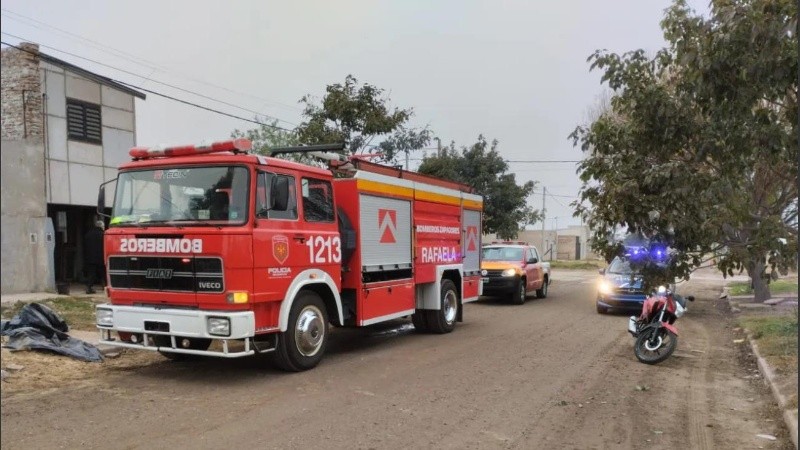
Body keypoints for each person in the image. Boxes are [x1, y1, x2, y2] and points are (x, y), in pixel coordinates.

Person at [83, 220, 105, 294]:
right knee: (103, 273)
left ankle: (89, 287)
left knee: (91, 274)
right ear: (101, 226)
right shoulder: (103, 235)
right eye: (103, 226)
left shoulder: (88, 234)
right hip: (100, 258)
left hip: (90, 258)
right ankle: (104, 286)